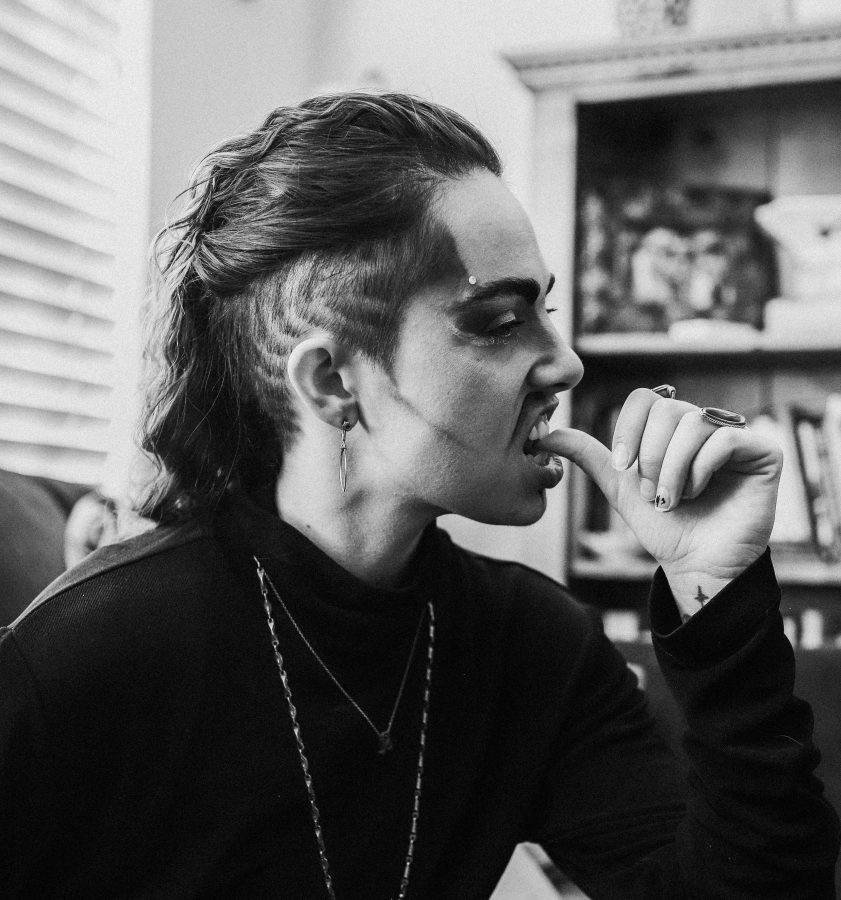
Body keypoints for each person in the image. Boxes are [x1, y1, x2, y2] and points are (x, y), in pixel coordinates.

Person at [0, 93, 837, 900]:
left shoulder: (535, 646)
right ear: (333, 382)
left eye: (546, 311)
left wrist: (716, 587)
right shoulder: (87, 653)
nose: (567, 362)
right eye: (499, 322)